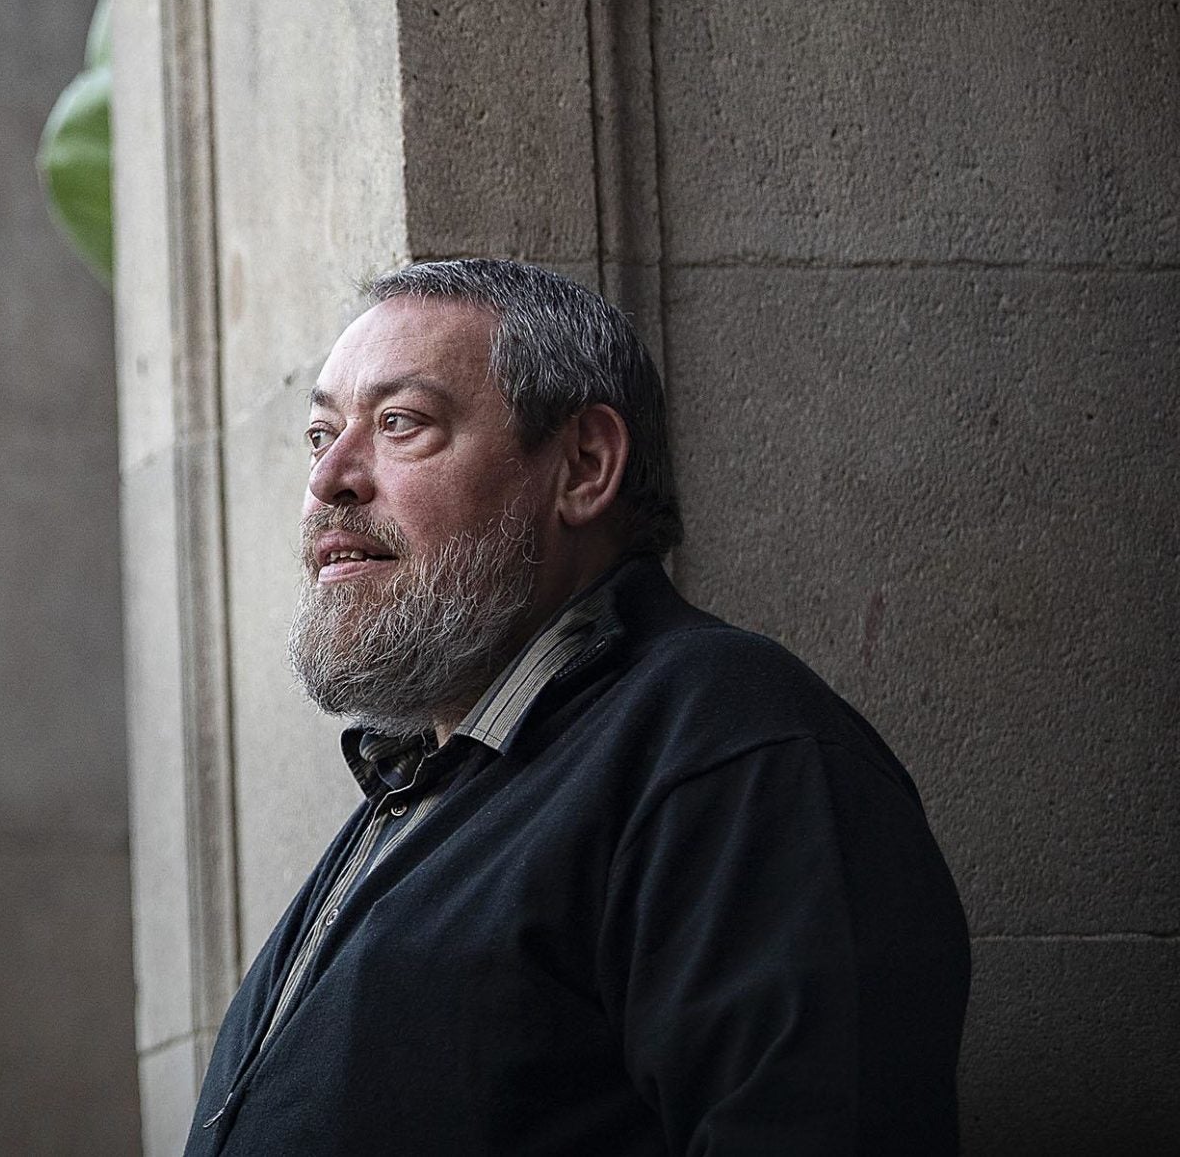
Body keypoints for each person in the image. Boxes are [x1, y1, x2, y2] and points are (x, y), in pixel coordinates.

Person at [182, 258, 969, 1156]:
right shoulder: (422, 786)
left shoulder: (731, 745)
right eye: (321, 435)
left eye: (401, 423)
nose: (331, 481)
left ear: (585, 466)